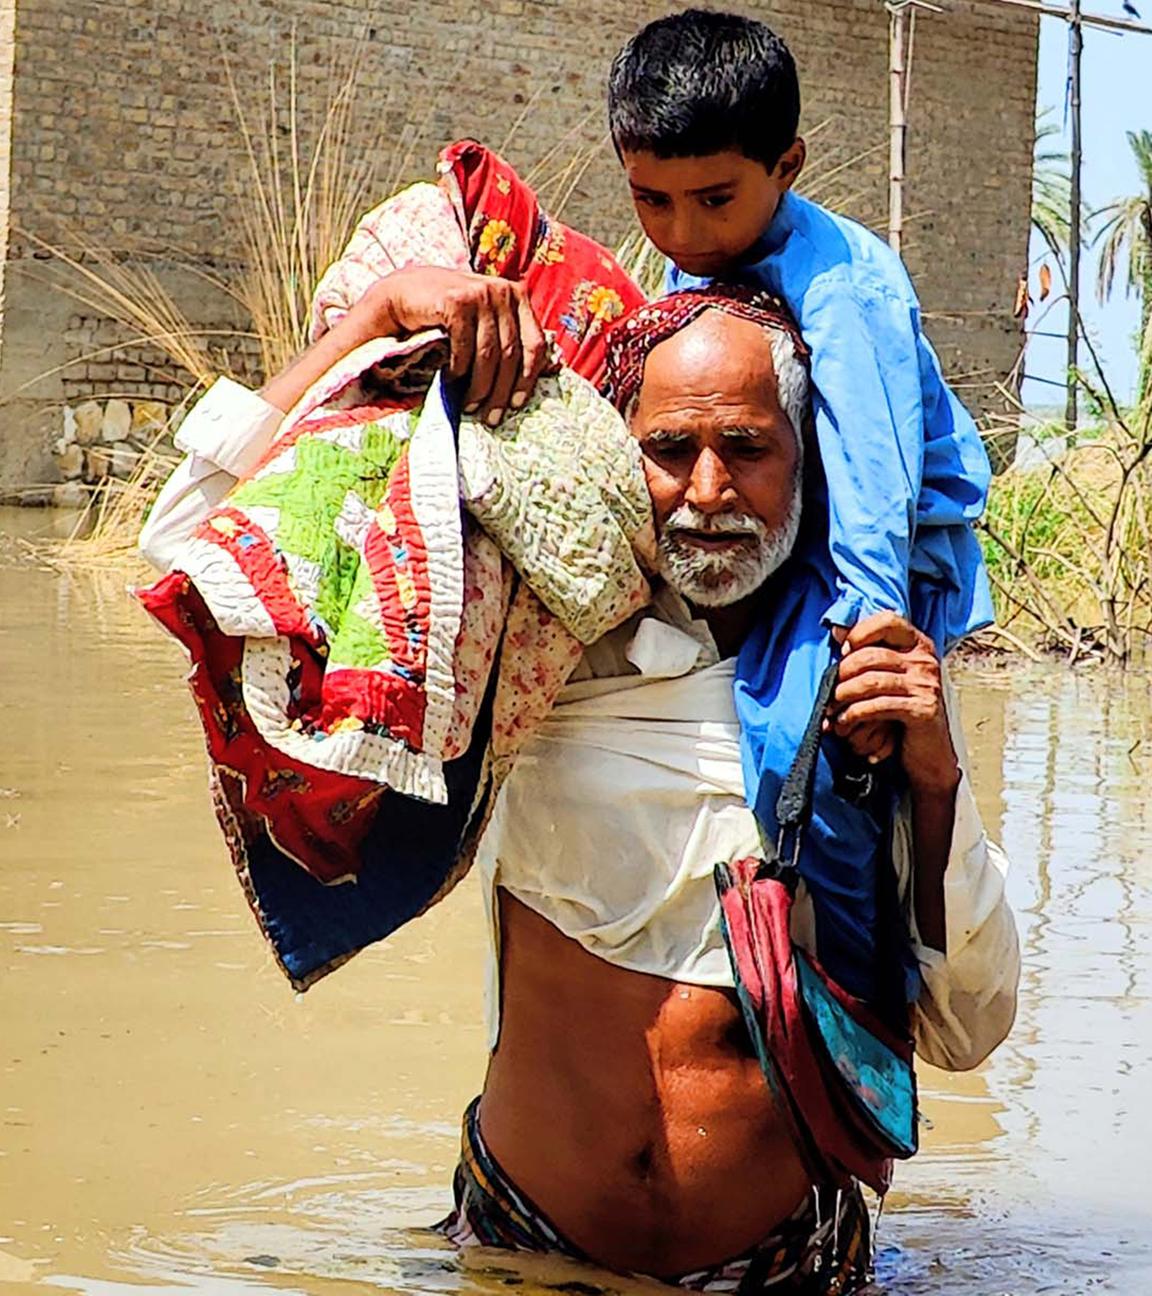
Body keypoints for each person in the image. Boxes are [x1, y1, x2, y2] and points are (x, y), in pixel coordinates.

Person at [140, 269, 1019, 1292]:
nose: (706, 491)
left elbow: (970, 1026)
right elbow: (188, 550)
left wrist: (937, 779)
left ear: (808, 466)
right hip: (521, 1247)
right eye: (668, 450)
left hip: (786, 1268)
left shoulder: (866, 683)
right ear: (614, 457)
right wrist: (375, 321)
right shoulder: (530, 643)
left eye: (747, 450)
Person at [605, 9, 993, 666]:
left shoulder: (840, 287)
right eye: (653, 202)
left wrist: (874, 616)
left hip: (889, 553)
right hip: (793, 534)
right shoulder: (704, 261)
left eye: (715, 200)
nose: (684, 233)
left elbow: (877, 468)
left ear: (787, 166)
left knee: (796, 729)